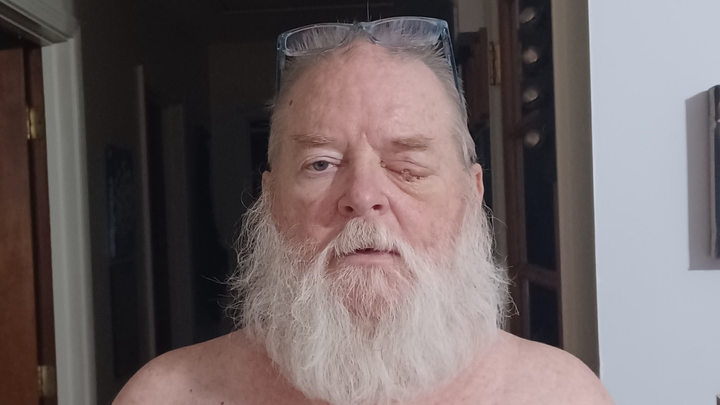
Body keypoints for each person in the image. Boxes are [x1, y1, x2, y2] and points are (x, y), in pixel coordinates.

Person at [114, 17, 613, 405]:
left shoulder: (562, 395)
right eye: (321, 163)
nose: (363, 194)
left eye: (407, 167)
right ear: (269, 200)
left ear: (472, 193)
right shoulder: (164, 396)